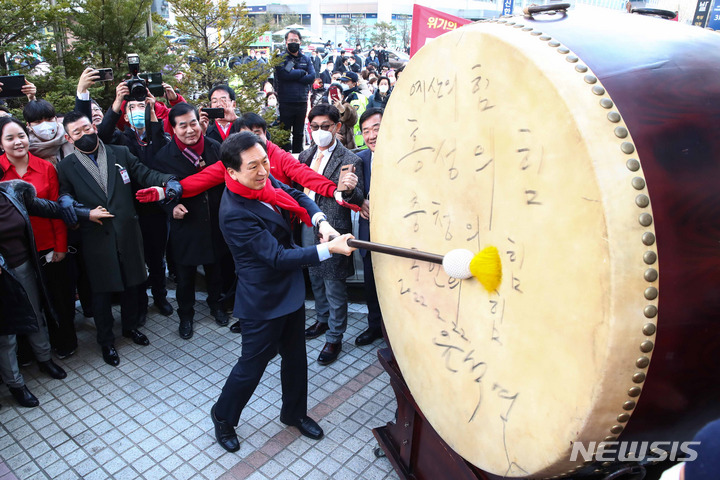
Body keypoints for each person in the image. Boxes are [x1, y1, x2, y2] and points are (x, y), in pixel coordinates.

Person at [135, 112, 360, 332]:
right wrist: (166, 193)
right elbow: (199, 181)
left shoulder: (271, 157)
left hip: (280, 228)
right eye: (244, 136)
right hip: (254, 242)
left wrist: (334, 195)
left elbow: (301, 179)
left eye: (256, 133)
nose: (261, 171)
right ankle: (251, 317)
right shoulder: (234, 186)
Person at [210, 131, 356, 452]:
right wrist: (329, 248)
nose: (264, 171)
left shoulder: (263, 183)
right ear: (232, 172)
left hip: (289, 292)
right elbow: (277, 257)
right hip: (263, 300)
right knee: (252, 366)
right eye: (253, 166)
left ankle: (294, 413)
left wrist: (321, 222)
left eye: (265, 161)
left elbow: (296, 192)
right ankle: (223, 416)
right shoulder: (234, 211)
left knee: (295, 357)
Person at [56, 111, 181, 366]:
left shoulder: (119, 153)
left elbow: (145, 173)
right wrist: (74, 207)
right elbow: (64, 195)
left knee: (132, 285)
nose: (84, 135)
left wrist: (169, 181)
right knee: (102, 292)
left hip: (127, 233)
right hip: (96, 238)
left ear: (94, 126)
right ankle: (106, 341)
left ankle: (130, 327)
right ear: (69, 138)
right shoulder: (66, 166)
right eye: (76, 133)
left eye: (86, 128)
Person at [0, 176, 107, 407]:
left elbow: (49, 208)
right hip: (2, 276)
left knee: (35, 314)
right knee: (6, 334)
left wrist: (86, 213)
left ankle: (44, 359)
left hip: (23, 266)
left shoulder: (11, 192)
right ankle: (16, 384)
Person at [0, 117, 80, 359]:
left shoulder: (45, 167)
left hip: (48, 247)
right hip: (15, 252)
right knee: (24, 303)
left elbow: (57, 210)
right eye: (9, 138)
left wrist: (60, 245)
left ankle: (63, 342)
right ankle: (29, 353)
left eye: (21, 136)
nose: (17, 142)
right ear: (1, 143)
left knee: (59, 299)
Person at [96, 82, 174, 321]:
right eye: (133, 107)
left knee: (156, 258)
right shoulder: (120, 139)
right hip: (129, 207)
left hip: (155, 208)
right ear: (126, 115)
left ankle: (160, 296)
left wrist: (153, 115)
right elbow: (102, 134)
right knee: (135, 260)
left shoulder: (158, 133)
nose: (138, 110)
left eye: (142, 105)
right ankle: (140, 304)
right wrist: (117, 103)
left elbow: (160, 153)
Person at [151, 103, 229, 339]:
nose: (189, 130)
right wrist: (170, 207)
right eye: (182, 125)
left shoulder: (216, 148)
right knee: (185, 277)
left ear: (200, 121)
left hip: (215, 222)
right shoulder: (164, 157)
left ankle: (217, 306)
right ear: (173, 129)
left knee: (217, 271)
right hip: (186, 225)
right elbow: (158, 191)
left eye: (193, 123)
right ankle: (186, 315)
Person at [301, 104, 364, 365]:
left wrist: (349, 191)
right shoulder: (305, 156)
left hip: (334, 227)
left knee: (334, 284)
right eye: (314, 127)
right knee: (315, 277)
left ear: (337, 127)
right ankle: (322, 319)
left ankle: (335, 336)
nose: (319, 132)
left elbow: (358, 198)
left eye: (325, 127)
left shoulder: (350, 159)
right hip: (306, 224)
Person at [355, 107, 385, 346]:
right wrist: (359, 201)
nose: (371, 135)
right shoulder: (361, 158)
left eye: (376, 128)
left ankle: (396, 336)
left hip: (397, 238)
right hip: (369, 234)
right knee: (371, 286)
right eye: (366, 131)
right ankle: (374, 327)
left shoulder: (405, 157)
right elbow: (351, 192)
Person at [275, 29, 316, 153]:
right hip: (286, 101)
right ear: (286, 42)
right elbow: (283, 75)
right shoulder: (281, 58)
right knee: (285, 134)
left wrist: (294, 74)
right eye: (291, 40)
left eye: (296, 40)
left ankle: (298, 158)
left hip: (301, 101)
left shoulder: (306, 59)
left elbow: (312, 76)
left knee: (299, 133)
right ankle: (285, 159)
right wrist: (301, 73)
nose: (294, 42)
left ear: (300, 42)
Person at [339, 71, 369, 149]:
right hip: (348, 139)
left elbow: (356, 120)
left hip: (356, 141)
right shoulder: (346, 96)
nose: (343, 84)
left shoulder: (356, 98)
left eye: (346, 82)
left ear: (354, 83)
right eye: (342, 81)